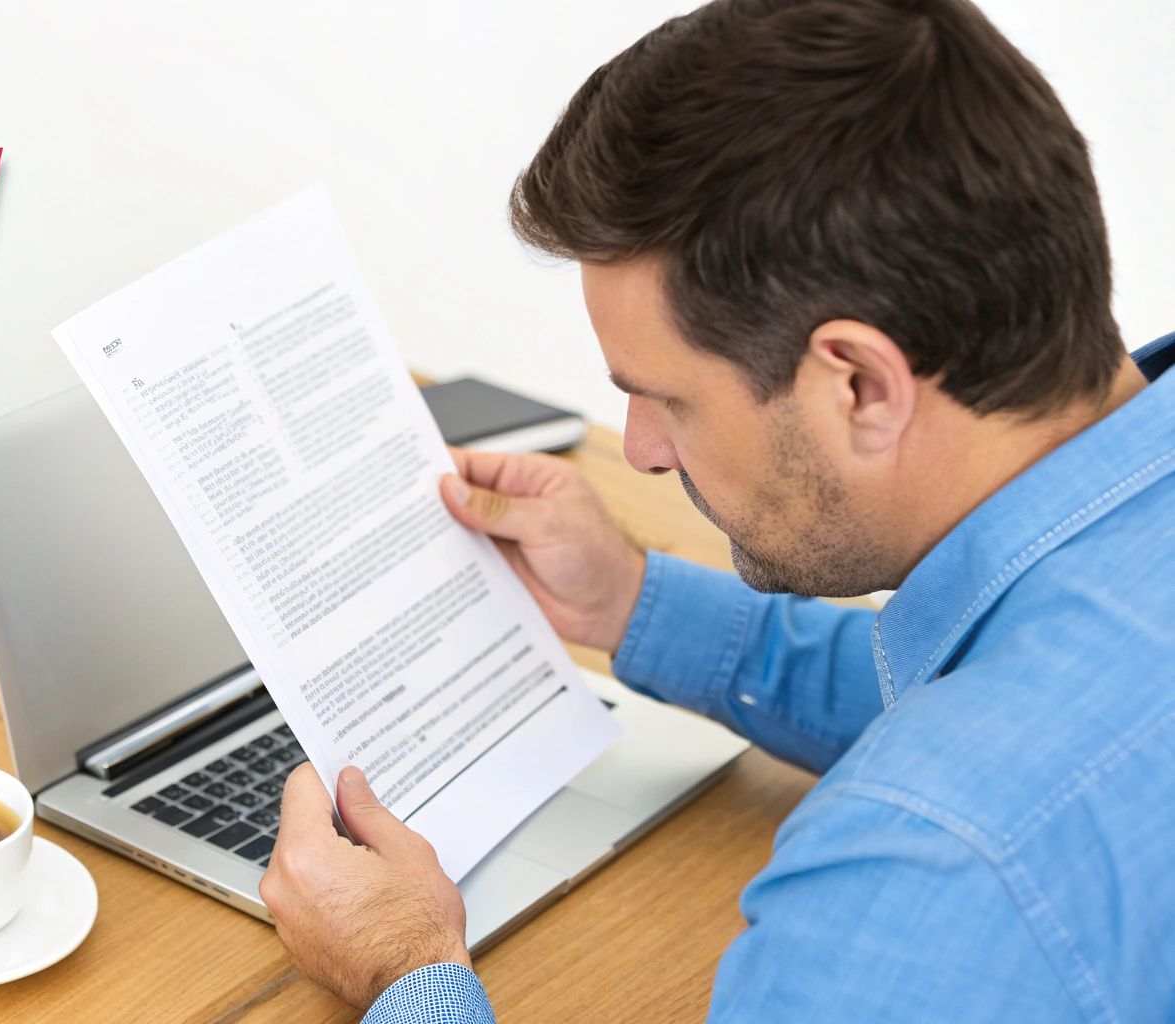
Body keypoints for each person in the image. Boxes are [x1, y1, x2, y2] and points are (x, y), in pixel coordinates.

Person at [258, 0, 1175, 1020]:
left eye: (667, 397)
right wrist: (631, 600)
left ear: (859, 387)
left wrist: (406, 973)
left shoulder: (915, 877)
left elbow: (983, 796)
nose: (640, 450)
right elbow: (1017, 691)